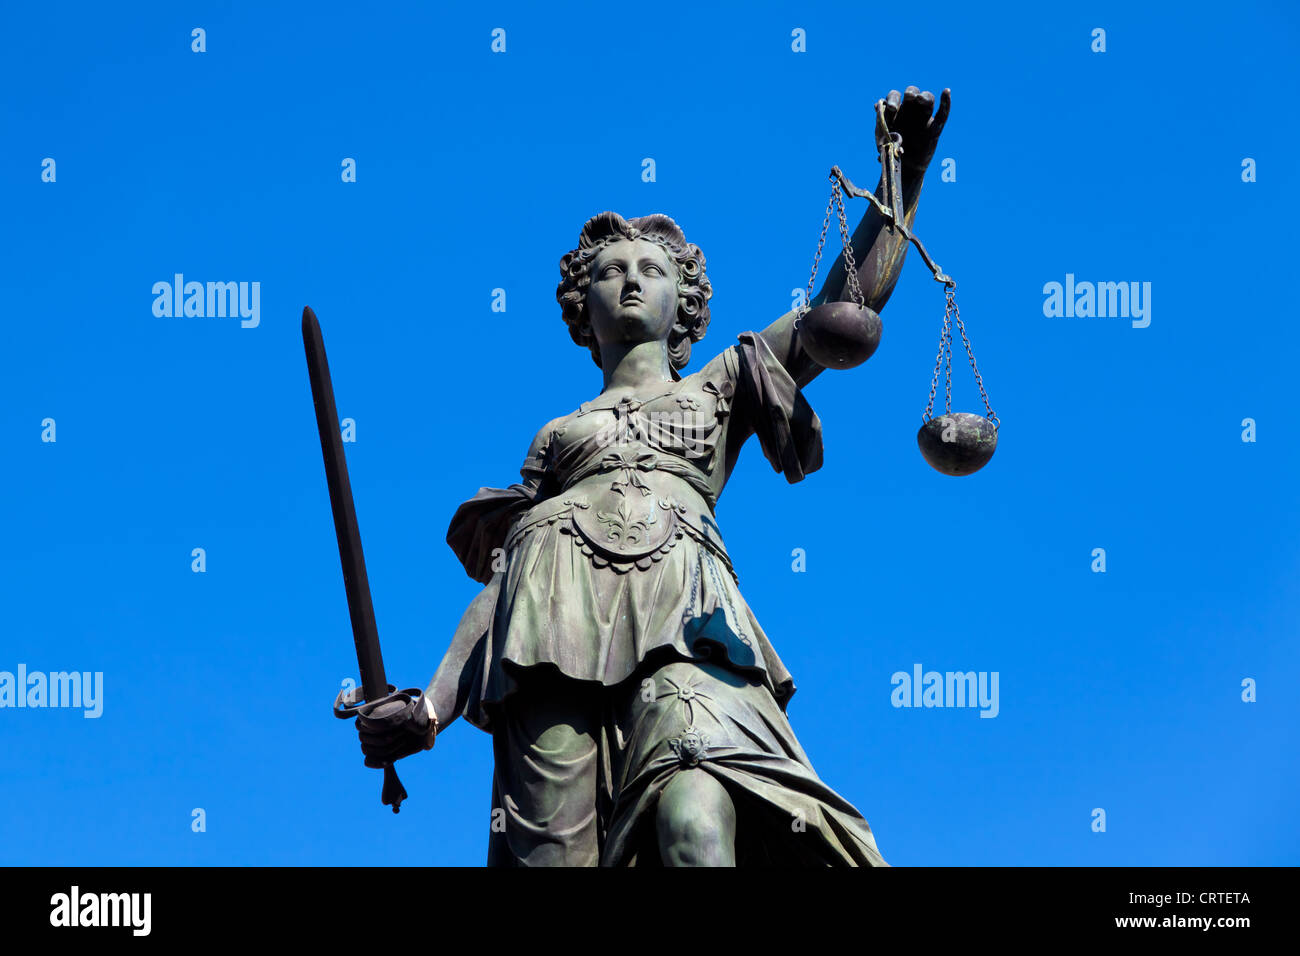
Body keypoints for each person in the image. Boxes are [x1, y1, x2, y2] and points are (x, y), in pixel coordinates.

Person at [352, 87, 951, 866]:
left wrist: (903, 176)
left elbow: (845, 304)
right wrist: (429, 710)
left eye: (650, 269)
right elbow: (504, 583)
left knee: (698, 821)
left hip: (691, 630)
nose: (631, 280)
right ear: (581, 306)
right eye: (610, 272)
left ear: (684, 300)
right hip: (548, 637)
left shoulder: (726, 382)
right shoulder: (558, 436)